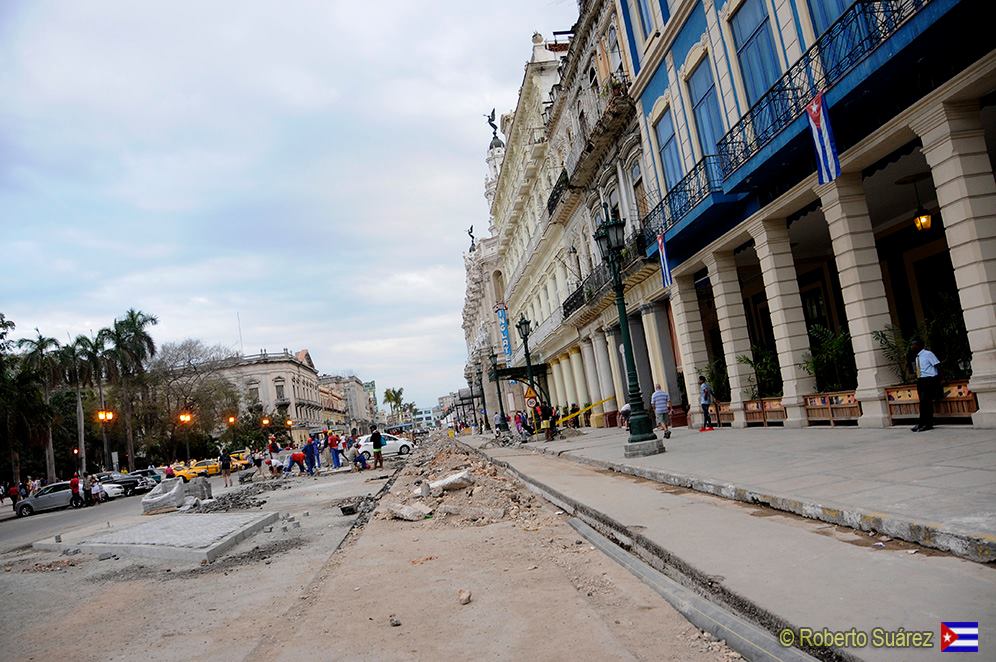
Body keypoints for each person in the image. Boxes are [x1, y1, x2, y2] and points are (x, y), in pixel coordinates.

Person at [910, 338, 941, 432]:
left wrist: (939, 380)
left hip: (929, 380)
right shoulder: (917, 357)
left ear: (920, 345)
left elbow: (937, 365)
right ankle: (921, 423)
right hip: (921, 380)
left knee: (926, 402)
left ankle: (928, 424)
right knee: (922, 403)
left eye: (914, 345)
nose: (912, 347)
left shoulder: (928, 354)